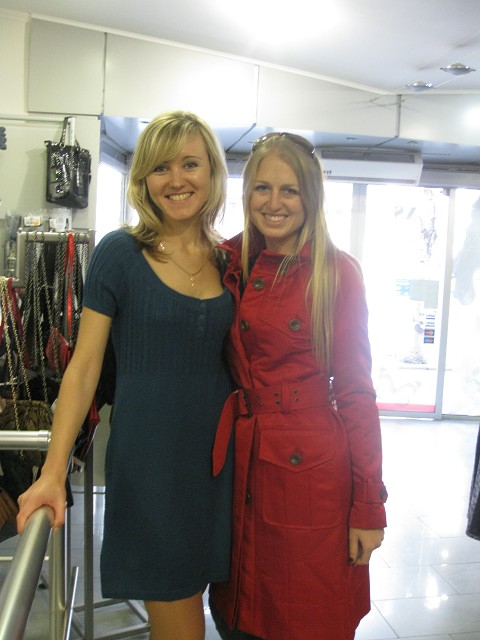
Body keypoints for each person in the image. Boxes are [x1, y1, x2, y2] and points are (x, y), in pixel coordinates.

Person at [16, 110, 234, 640]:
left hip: (220, 467)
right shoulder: (121, 253)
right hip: (152, 466)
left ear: (212, 171)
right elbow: (83, 368)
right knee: (180, 623)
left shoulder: (230, 259)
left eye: (190, 164)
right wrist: (52, 471)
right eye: (161, 167)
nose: (176, 179)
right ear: (143, 179)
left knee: (213, 606)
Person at [209, 132, 387, 640]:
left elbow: (356, 393)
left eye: (290, 190)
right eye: (262, 188)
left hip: (308, 470)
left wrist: (368, 506)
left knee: (303, 614)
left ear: (310, 196)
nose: (275, 202)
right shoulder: (227, 261)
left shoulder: (336, 273)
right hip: (241, 459)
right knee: (238, 612)